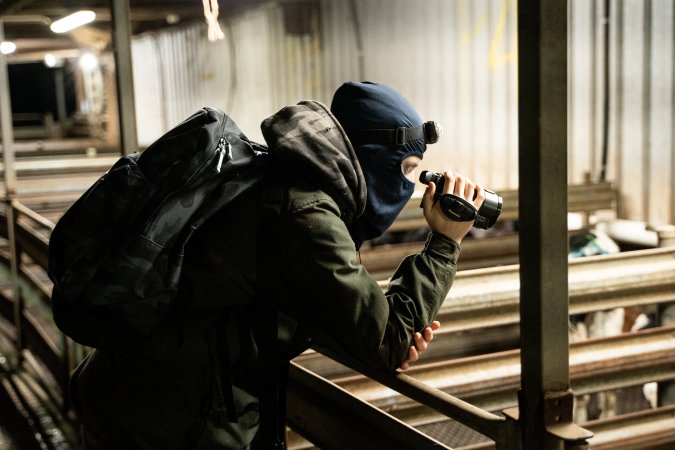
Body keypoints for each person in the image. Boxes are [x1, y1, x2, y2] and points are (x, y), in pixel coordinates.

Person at [68, 81, 485, 449]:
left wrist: (385, 323)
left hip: (138, 399)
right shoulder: (305, 214)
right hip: (162, 423)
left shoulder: (285, 179)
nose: (412, 187)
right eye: (407, 170)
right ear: (368, 158)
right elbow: (387, 341)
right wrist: (445, 242)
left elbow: (332, 309)